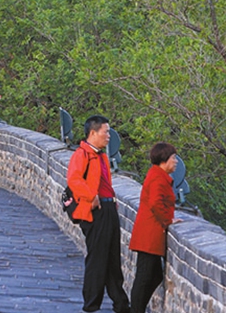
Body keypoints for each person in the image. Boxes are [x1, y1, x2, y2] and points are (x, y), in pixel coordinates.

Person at [67, 115, 132, 313]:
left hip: (109, 209)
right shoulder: (82, 154)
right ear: (93, 133)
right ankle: (91, 305)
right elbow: (74, 180)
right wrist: (91, 196)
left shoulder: (101, 155)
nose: (108, 136)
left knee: (112, 258)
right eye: (106, 131)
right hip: (96, 212)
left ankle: (121, 304)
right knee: (97, 259)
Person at [129, 143, 180, 313]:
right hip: (149, 234)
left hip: (149, 233)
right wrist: (168, 220)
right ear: (164, 160)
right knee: (144, 277)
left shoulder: (157, 175)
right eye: (173, 158)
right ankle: (136, 309)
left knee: (155, 275)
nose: (176, 161)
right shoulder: (158, 177)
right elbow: (155, 202)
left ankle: (138, 308)